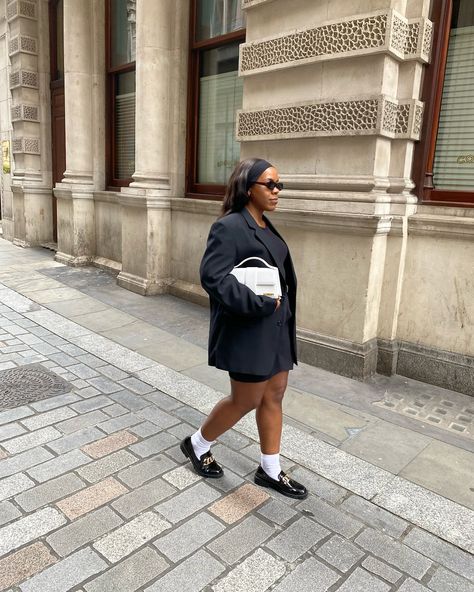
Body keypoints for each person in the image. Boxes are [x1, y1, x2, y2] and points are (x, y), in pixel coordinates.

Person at [180, 158, 307, 499]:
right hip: (249, 328)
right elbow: (213, 277)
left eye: (280, 185)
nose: (277, 191)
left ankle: (270, 470)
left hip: (276, 329)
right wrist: (260, 304)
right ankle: (197, 443)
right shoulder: (231, 226)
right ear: (248, 187)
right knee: (246, 399)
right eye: (271, 184)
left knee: (275, 393)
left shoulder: (264, 224)